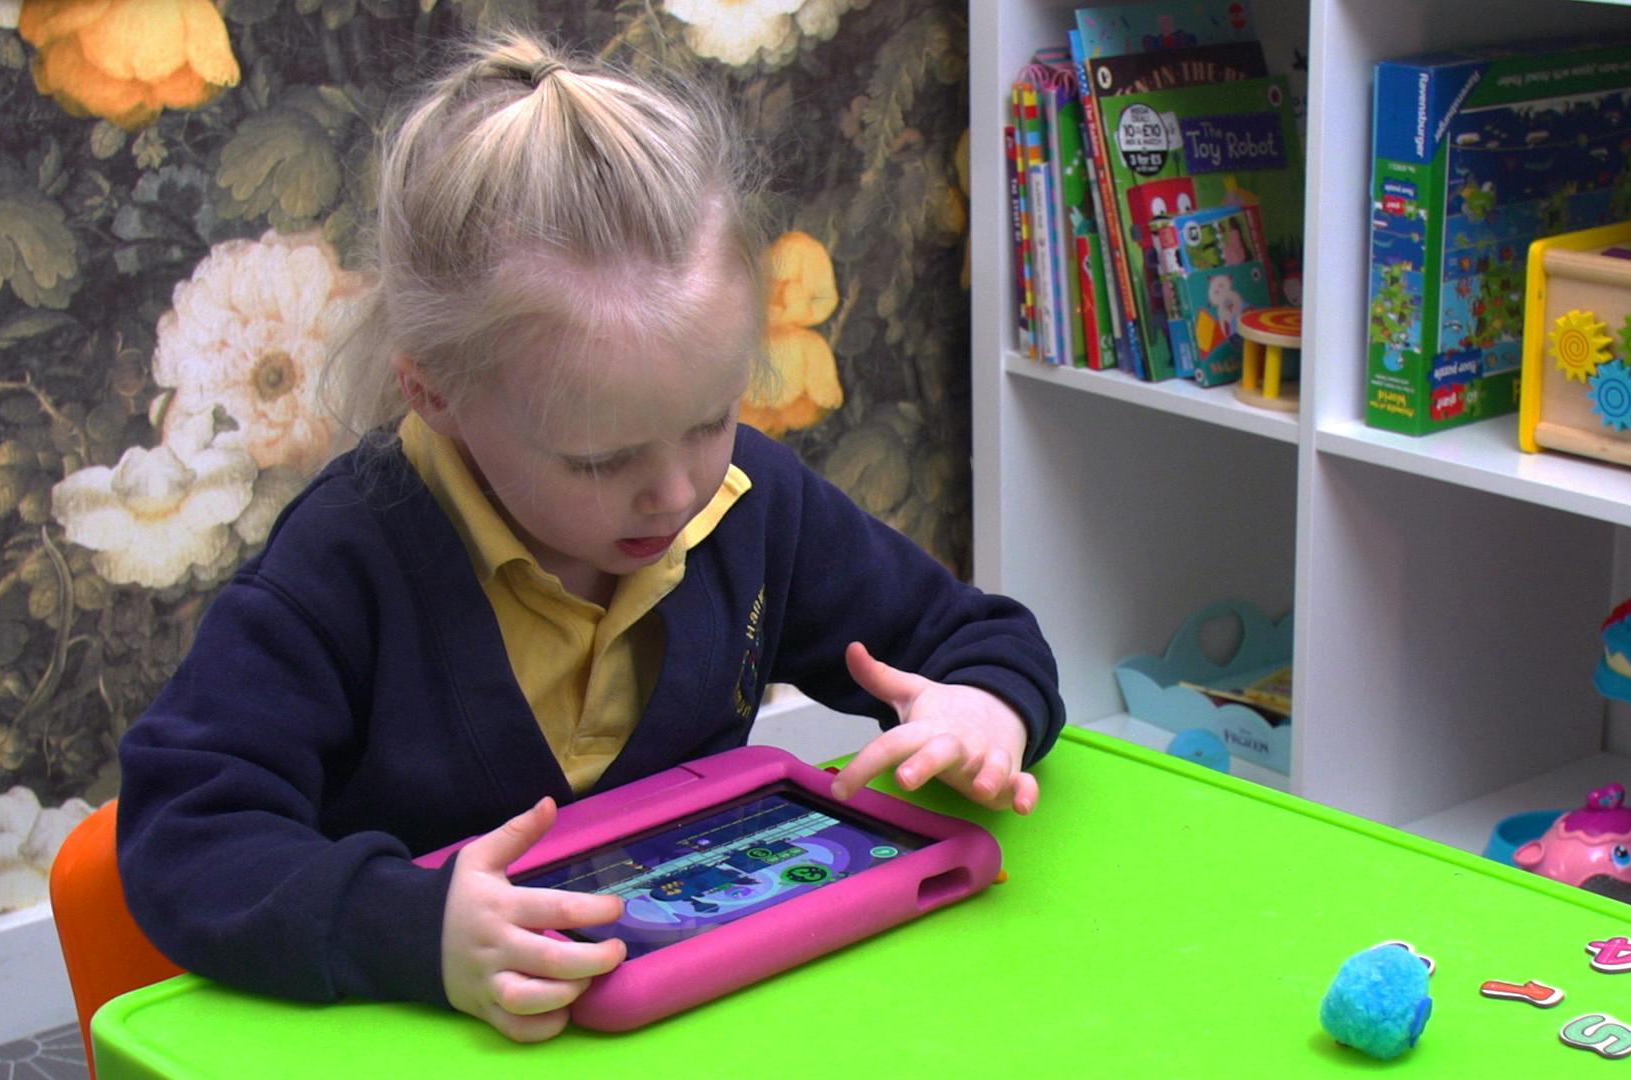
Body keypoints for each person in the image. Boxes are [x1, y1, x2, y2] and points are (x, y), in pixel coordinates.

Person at [116, 31, 1064, 1043]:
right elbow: (185, 839)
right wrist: (418, 928)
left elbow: (983, 640)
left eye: (712, 418)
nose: (673, 494)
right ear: (436, 392)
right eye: (597, 461)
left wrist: (982, 715)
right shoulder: (344, 567)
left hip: (692, 1018)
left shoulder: (749, 500)